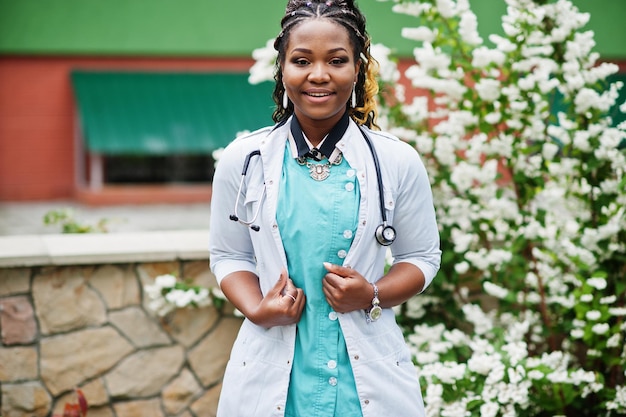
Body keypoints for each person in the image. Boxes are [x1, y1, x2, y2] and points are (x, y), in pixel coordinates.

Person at [208, 1, 441, 416]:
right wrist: (257, 308)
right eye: (301, 61)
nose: (318, 75)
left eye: (336, 60)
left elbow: (421, 257)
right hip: (273, 373)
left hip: (366, 378)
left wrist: (372, 293)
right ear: (282, 70)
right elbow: (229, 255)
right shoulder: (243, 160)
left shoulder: (397, 160)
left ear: (358, 69)